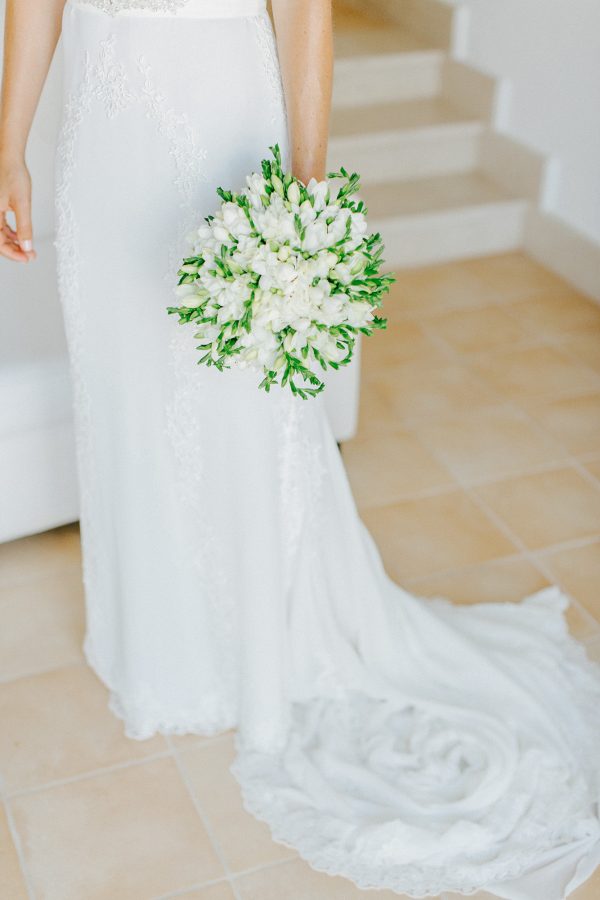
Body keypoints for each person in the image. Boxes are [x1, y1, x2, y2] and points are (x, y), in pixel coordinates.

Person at [2, 1, 600, 897]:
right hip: (103, 138)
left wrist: (304, 196)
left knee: (237, 408)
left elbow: (306, 16)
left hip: (220, 122)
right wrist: (10, 143)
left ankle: (259, 648)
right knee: (124, 393)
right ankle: (160, 648)